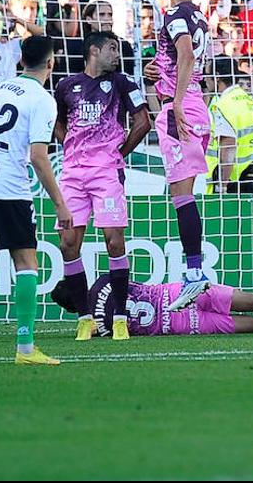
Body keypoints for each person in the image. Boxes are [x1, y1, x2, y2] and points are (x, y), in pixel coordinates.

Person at [0, 35, 71, 367]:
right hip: (8, 185)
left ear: (20, 60)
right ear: (51, 63)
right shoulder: (42, 99)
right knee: (26, 263)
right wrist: (60, 203)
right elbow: (38, 156)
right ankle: (25, 348)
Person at [53, 30, 151, 343]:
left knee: (114, 242)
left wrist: (118, 153)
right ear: (94, 51)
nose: (117, 55)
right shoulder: (66, 86)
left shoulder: (122, 83)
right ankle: (85, 320)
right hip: (73, 174)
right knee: (68, 243)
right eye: (112, 48)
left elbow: (143, 121)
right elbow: (57, 122)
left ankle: (120, 318)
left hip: (107, 173)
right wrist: (71, 147)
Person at [153, 0, 214, 312]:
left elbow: (186, 53)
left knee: (181, 194)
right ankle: (193, 271)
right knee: (183, 193)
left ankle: (194, 273)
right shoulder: (200, 16)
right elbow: (181, 57)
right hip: (195, 105)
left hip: (183, 107)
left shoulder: (174, 13)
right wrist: (159, 72)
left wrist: (174, 102)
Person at [51, 275, 253, 336]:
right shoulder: (103, 281)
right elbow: (133, 284)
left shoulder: (93, 327)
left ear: (72, 310)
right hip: (177, 294)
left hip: (180, 324)